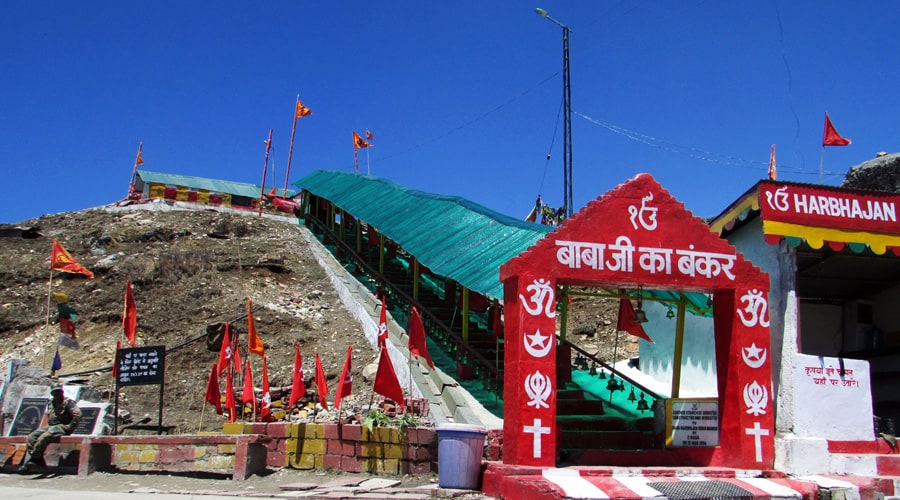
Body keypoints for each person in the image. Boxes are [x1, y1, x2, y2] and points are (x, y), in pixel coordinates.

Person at [19, 384, 82, 472]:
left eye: (58, 392)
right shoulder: (51, 403)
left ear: (62, 392)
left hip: (62, 426)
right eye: (55, 392)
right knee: (31, 437)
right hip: (51, 426)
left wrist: (70, 427)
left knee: (44, 437)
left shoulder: (68, 403)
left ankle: (33, 460)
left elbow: (77, 415)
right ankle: (38, 460)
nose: (57, 394)